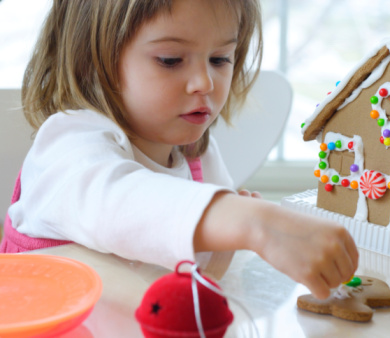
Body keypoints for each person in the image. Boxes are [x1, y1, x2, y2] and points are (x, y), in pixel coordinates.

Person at [1, 0, 358, 300]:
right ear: (92, 61)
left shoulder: (197, 154)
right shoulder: (68, 146)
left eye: (220, 59)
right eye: (171, 60)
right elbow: (119, 203)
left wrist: (224, 242)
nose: (205, 82)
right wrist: (251, 220)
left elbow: (190, 270)